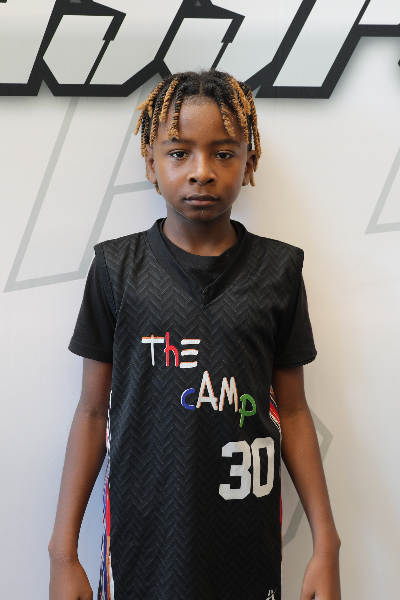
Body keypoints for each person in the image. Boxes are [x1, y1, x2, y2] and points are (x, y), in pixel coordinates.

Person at [48, 69, 341, 600]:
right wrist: (62, 553)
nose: (201, 172)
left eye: (224, 153)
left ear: (250, 162)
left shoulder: (278, 271)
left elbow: (294, 411)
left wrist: (327, 544)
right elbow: (92, 413)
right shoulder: (116, 270)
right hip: (141, 547)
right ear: (151, 164)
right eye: (179, 153)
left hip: (244, 543)